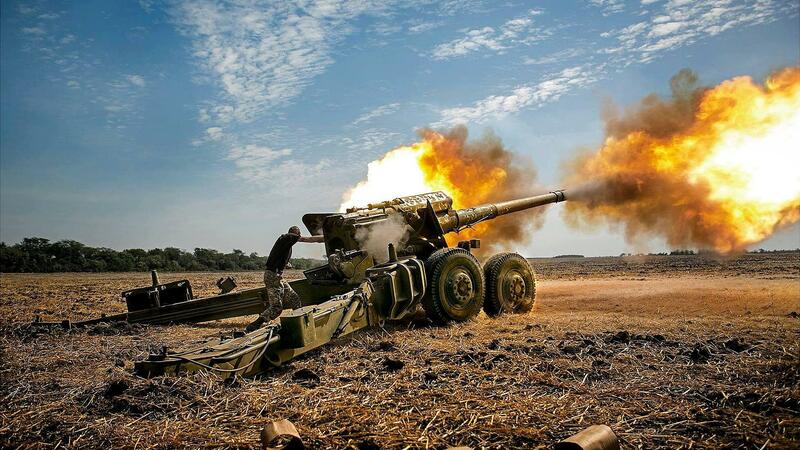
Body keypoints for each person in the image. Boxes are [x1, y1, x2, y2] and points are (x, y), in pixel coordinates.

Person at [245, 226, 324, 332]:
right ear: (295, 233)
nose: (298, 237)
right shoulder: (288, 237)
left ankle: (300, 323)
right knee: (276, 308)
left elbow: (279, 258)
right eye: (298, 234)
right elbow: (307, 239)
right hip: (272, 276)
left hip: (277, 277)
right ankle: (254, 325)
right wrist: (325, 237)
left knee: (294, 299)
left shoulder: (286, 244)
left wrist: (286, 264)